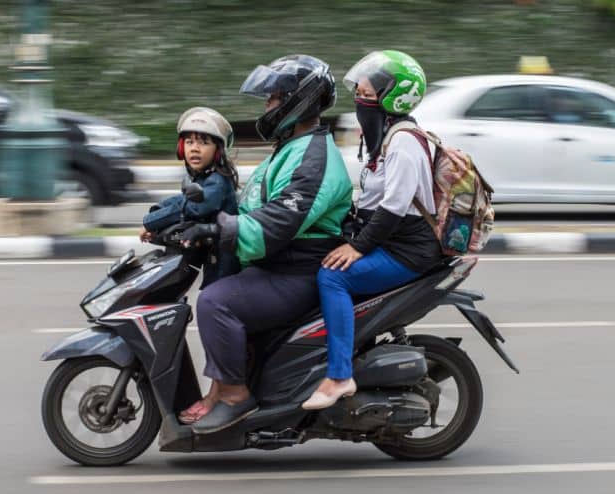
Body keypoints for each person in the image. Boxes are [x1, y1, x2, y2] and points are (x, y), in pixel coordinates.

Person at [177, 55, 353, 431]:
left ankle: (236, 396)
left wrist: (219, 230)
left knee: (215, 302)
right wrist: (199, 221)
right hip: (277, 263)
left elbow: (278, 221)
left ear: (297, 100)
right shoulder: (291, 148)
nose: (267, 105)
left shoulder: (312, 157)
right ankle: (223, 388)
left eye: (273, 97)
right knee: (218, 289)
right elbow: (250, 204)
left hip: (297, 270)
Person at [302, 50, 444, 410]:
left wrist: (358, 247)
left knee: (333, 277)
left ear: (393, 94)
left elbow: (394, 207)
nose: (360, 91)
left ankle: (338, 375)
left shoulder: (405, 141)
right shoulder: (386, 137)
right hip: (390, 240)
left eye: (370, 87)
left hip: (407, 250)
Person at [140, 107, 240, 288]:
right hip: (210, 252)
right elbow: (182, 199)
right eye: (189, 142)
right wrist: (157, 210)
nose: (194, 148)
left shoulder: (217, 181)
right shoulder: (200, 177)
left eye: (203, 143)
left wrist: (151, 222)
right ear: (181, 147)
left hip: (225, 259)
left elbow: (193, 207)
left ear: (217, 150)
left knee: (211, 300)